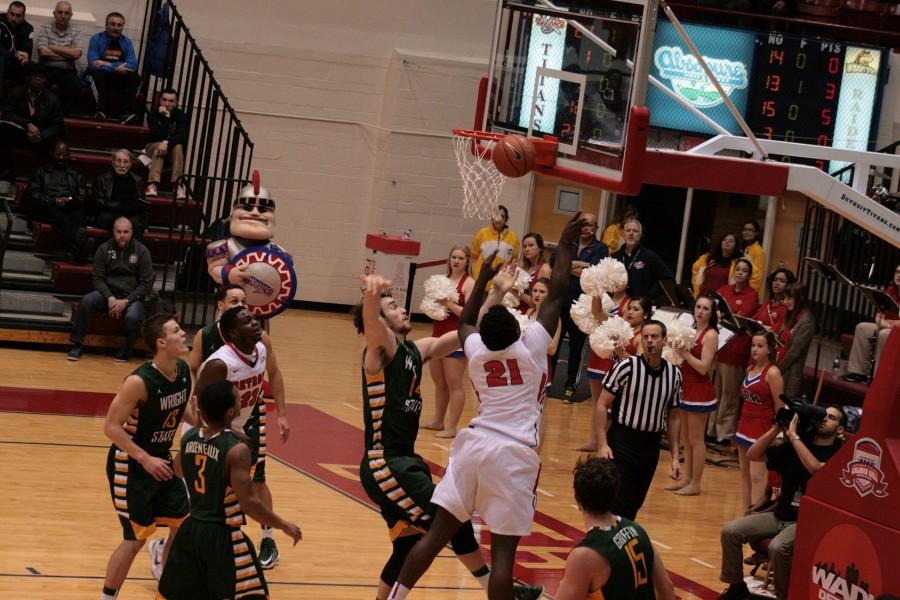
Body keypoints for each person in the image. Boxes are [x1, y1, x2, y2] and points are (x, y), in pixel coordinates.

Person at [388, 213, 583, 600]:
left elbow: (466, 324)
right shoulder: (530, 349)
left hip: (473, 445)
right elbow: (558, 291)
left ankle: (395, 597)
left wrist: (489, 280)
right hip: (513, 452)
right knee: (504, 556)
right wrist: (564, 243)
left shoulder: (475, 351)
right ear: (517, 332)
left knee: (436, 535)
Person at [353, 275, 543, 600]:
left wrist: (496, 292)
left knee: (410, 543)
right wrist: (372, 298)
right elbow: (371, 324)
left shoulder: (416, 350)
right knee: (451, 521)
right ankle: (499, 591)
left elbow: (466, 334)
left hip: (405, 462)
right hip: (385, 464)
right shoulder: (379, 354)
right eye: (393, 307)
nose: (402, 310)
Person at [157, 380, 302, 600]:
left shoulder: (189, 438)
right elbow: (249, 503)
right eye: (237, 396)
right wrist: (283, 525)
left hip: (191, 529)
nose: (241, 397)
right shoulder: (236, 450)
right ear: (231, 410)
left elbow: (178, 470)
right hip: (222, 535)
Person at [100, 312, 194, 599]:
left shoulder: (183, 371)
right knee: (134, 539)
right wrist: (145, 459)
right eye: (177, 331)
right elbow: (111, 427)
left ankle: (166, 585)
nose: (183, 334)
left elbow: (184, 413)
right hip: (130, 464)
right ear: (161, 342)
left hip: (161, 460)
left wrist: (213, 421)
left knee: (184, 522)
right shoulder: (138, 382)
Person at [194, 306, 291, 571]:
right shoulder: (219, 363)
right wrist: (220, 433)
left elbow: (276, 373)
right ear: (234, 333)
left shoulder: (260, 348)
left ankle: (265, 540)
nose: (256, 322)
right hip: (214, 434)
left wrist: (281, 413)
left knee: (250, 486)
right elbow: (199, 402)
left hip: (243, 428)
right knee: (212, 501)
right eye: (248, 320)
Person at [717, 405, 845, 600]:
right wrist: (778, 427)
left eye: (832, 418)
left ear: (841, 429)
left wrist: (794, 436)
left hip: (807, 522)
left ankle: (784, 596)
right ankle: (737, 586)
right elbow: (753, 455)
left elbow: (816, 469)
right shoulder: (798, 444)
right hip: (781, 514)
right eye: (823, 415)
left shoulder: (840, 454)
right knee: (730, 531)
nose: (825, 419)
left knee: (778, 547)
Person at [594, 319, 682, 520]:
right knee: (620, 499)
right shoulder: (627, 366)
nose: (650, 341)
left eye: (655, 337)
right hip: (623, 440)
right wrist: (602, 444)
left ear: (664, 341)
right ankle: (610, 543)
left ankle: (618, 542)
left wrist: (675, 457)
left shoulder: (674, 374)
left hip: (651, 445)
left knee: (636, 500)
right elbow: (601, 404)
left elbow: (674, 417)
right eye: (646, 337)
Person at [555, 457, 676, 600]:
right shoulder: (637, 530)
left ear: (578, 499)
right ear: (615, 493)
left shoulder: (584, 556)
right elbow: (667, 589)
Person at [67, 216, 152, 362]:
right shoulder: (104, 249)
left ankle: (126, 350)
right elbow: (97, 278)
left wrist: (126, 301)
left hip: (131, 297)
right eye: (119, 232)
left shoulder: (142, 251)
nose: (122, 235)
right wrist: (110, 297)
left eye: (125, 232)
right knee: (87, 301)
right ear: (113, 232)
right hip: (108, 294)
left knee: (133, 316)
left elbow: (146, 284)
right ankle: (77, 345)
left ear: (131, 232)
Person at [666, 294, 719, 496]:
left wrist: (684, 353)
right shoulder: (692, 330)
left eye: (706, 308)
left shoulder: (711, 335)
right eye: (698, 307)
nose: (700, 311)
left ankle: (696, 483)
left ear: (712, 313)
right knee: (686, 438)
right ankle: (686, 478)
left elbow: (704, 368)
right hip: (686, 388)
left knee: (696, 439)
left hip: (701, 392)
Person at [552, 211, 608, 400]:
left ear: (596, 228)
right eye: (582, 224)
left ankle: (571, 385)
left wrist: (567, 265)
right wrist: (579, 266)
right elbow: (555, 262)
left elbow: (593, 272)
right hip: (560, 302)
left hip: (582, 307)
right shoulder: (568, 243)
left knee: (576, 350)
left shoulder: (601, 248)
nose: (585, 228)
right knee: (553, 345)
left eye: (590, 225)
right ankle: (549, 381)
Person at [421, 244, 473, 438]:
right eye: (454, 257)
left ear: (467, 261)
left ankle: (452, 427)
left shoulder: (470, 284)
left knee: (454, 383)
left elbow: (469, 315)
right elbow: (432, 306)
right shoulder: (440, 280)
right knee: (439, 382)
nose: (456, 261)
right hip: (437, 334)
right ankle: (437, 421)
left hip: (456, 338)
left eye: (460, 258)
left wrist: (448, 303)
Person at [579, 284, 635, 452]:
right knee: (596, 402)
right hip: (599, 352)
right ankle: (593, 440)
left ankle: (606, 443)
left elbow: (620, 327)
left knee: (608, 404)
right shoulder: (604, 298)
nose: (617, 284)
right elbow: (595, 315)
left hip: (613, 357)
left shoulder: (629, 302)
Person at [710, 258, 759, 446]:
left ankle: (725, 433)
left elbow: (739, 318)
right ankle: (712, 429)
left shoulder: (752, 295)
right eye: (737, 269)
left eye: (744, 270)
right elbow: (715, 311)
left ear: (749, 275)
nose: (739, 273)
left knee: (729, 395)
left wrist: (723, 317)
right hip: (718, 347)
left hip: (736, 349)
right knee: (715, 392)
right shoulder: (724, 290)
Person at [735, 332, 785, 510]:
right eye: (753, 345)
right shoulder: (750, 369)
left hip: (762, 430)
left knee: (758, 477)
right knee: (744, 474)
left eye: (760, 346)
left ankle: (756, 516)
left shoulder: (772, 373)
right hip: (744, 426)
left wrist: (776, 434)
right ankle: (745, 514)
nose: (754, 349)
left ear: (770, 349)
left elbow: (780, 408)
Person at [27, 139, 94, 263]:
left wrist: (69, 200)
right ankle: (80, 247)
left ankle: (77, 250)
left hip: (69, 206)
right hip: (48, 207)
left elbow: (83, 196)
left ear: (69, 155)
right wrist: (54, 200)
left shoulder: (75, 175)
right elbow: (33, 194)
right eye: (58, 154)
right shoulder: (41, 172)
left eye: (64, 154)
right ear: (52, 154)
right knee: (60, 217)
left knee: (79, 215)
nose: (61, 158)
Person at [0, 63, 64, 183]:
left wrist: (41, 135)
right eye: (35, 76)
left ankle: (44, 182)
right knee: (3, 131)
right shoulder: (15, 93)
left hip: (41, 138)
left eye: (41, 77)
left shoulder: (53, 100)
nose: (37, 78)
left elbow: (58, 125)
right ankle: (5, 176)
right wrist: (27, 124)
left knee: (56, 141)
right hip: (21, 134)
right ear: (28, 78)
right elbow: (6, 113)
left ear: (45, 80)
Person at [843, 263, 900, 383]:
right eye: (897, 272)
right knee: (862, 327)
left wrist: (888, 323)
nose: (899, 275)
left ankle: (877, 377)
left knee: (884, 334)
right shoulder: (890, 291)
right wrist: (887, 323)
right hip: (887, 325)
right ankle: (858, 372)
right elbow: (878, 316)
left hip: (894, 330)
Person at [86, 11, 139, 122]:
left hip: (118, 78)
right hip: (101, 77)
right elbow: (92, 63)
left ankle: (127, 113)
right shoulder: (96, 39)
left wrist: (105, 64)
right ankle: (100, 111)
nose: (116, 28)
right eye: (112, 24)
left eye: (119, 25)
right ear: (106, 25)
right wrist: (115, 68)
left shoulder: (127, 42)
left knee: (135, 76)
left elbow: (133, 65)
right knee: (97, 74)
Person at [35, 1, 83, 116]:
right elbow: (43, 52)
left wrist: (52, 47)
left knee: (75, 85)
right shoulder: (45, 28)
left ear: (71, 16)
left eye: (66, 13)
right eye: (60, 12)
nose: (63, 15)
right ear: (54, 13)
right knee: (37, 81)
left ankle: (64, 116)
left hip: (67, 70)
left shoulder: (76, 31)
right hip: (46, 67)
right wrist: (67, 55)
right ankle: (40, 113)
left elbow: (76, 54)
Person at [612, 218, 672, 302]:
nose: (631, 233)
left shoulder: (650, 256)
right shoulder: (614, 257)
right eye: (628, 230)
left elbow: (668, 279)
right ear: (623, 234)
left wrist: (649, 296)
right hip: (617, 304)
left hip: (640, 305)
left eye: (635, 231)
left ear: (640, 236)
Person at [92, 149, 147, 238]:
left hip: (131, 216)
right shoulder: (102, 179)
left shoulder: (138, 181)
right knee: (120, 224)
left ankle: (134, 252)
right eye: (119, 161)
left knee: (135, 224)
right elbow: (97, 202)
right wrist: (118, 207)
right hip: (109, 215)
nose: (122, 165)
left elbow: (142, 205)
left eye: (126, 162)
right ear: (113, 163)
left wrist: (145, 224)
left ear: (130, 164)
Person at [144, 87, 188, 199]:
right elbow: (156, 135)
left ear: (176, 102)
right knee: (160, 146)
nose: (167, 103)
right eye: (164, 99)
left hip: (171, 148)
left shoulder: (181, 116)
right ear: (160, 100)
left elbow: (182, 137)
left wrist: (166, 142)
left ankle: (176, 184)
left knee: (178, 146)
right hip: (152, 147)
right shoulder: (153, 115)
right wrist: (166, 118)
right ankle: (152, 184)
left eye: (171, 101)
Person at [776, 282, 815, 400]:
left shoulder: (807, 321)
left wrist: (776, 370)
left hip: (789, 373)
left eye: (789, 298)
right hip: (777, 365)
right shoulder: (790, 315)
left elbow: (794, 353)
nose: (785, 302)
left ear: (801, 298)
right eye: (784, 298)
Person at [470, 204, 519, 278]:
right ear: (492, 218)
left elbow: (513, 261)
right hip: (481, 281)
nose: (498, 219)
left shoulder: (514, 238)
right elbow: (474, 257)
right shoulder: (481, 233)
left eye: (502, 216)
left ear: (506, 220)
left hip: (501, 282)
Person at [0, 1, 33, 95]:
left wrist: (26, 56)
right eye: (11, 14)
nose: (13, 18)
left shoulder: (28, 28)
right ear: (7, 12)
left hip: (15, 62)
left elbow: (28, 49)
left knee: (29, 65)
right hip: (3, 59)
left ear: (23, 16)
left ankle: (19, 103)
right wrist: (14, 55)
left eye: (18, 16)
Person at [516, 231, 551, 312]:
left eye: (531, 245)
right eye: (525, 246)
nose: (527, 249)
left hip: (531, 313)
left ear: (540, 248)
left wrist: (516, 292)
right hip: (517, 309)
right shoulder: (522, 267)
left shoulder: (545, 269)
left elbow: (539, 302)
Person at [752, 267, 794, 332]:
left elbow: (776, 330)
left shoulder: (787, 306)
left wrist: (759, 326)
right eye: (775, 280)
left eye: (782, 281)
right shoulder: (769, 302)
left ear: (789, 285)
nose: (777, 283)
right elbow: (753, 321)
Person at [740, 220, 766, 293]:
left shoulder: (758, 251)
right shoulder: (744, 248)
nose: (747, 232)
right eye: (745, 230)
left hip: (747, 291)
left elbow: (758, 277)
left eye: (750, 230)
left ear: (757, 233)